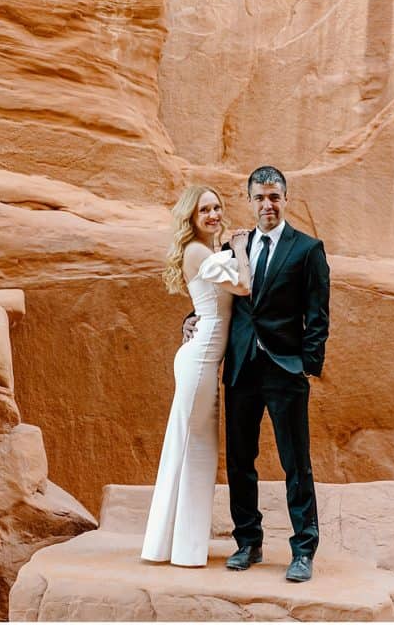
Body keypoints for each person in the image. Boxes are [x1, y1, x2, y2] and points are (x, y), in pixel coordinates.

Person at [184, 166, 330, 582]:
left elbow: (318, 315)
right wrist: (190, 318)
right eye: (260, 198)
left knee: (295, 461)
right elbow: (218, 295)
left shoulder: (307, 249)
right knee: (240, 459)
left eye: (275, 197)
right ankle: (248, 542)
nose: (268, 204)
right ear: (249, 201)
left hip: (285, 369)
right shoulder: (235, 247)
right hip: (242, 366)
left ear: (285, 199)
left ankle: (304, 549)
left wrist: (306, 364)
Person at [141, 186, 251, 566]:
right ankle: (184, 551)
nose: (214, 214)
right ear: (191, 217)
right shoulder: (200, 251)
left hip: (201, 354)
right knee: (195, 448)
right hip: (200, 358)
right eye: (205, 209)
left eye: (218, 207)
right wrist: (239, 247)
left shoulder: (206, 252)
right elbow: (243, 287)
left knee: (191, 447)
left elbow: (210, 304)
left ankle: (172, 546)